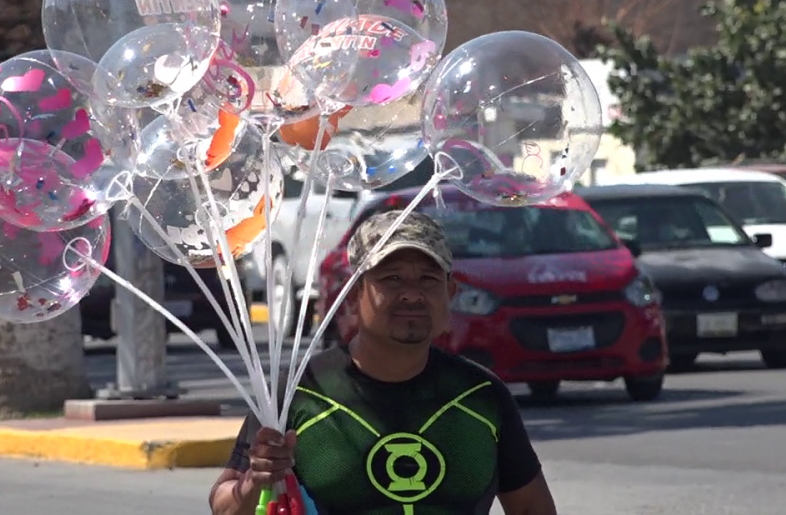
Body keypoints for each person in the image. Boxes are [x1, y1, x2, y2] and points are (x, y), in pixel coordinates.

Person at [210, 210, 558, 515]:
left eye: (428, 279)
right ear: (354, 293)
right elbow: (224, 505)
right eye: (391, 279)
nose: (411, 293)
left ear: (450, 294)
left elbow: (531, 507)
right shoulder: (296, 394)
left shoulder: (482, 395)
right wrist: (255, 480)